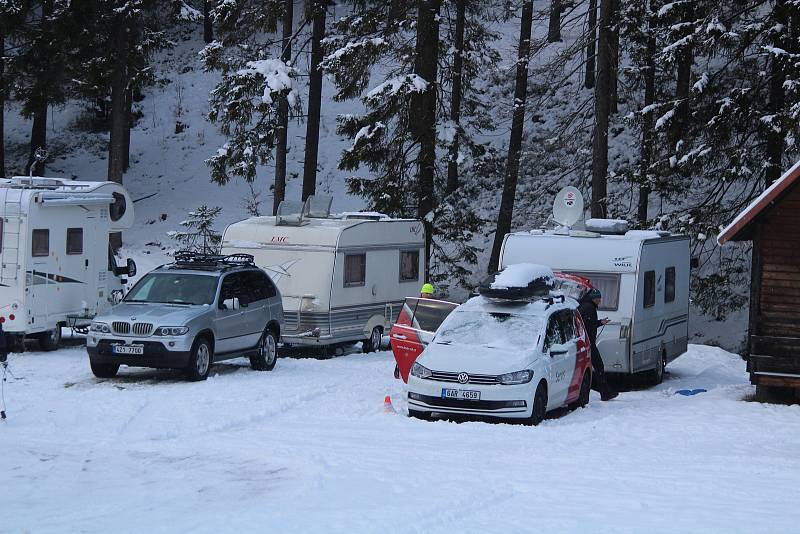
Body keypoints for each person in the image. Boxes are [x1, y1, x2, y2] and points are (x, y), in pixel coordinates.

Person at [578, 288, 618, 401]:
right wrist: (598, 323)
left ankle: (604, 392)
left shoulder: (585, 306)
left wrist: (600, 322)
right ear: (594, 298)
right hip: (588, 343)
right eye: (599, 298)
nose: (600, 301)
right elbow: (588, 325)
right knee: (599, 366)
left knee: (595, 367)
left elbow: (589, 323)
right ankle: (605, 393)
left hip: (587, 342)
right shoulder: (589, 308)